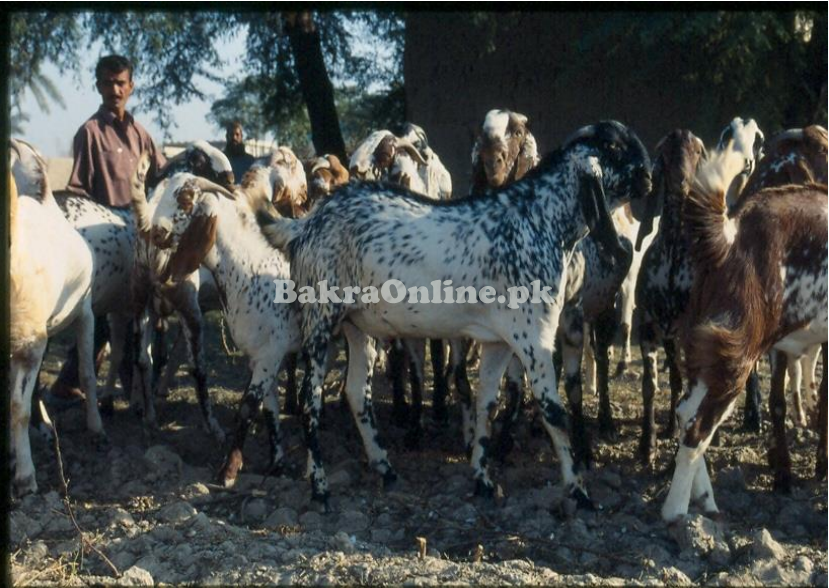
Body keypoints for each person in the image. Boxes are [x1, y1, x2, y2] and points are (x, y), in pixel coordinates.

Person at [49, 54, 166, 403]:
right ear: (98, 86)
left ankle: (136, 390)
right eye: (107, 83)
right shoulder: (89, 133)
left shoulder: (141, 133)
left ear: (131, 87)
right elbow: (78, 192)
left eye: (121, 83)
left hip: (138, 239)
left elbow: (160, 177)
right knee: (96, 318)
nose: (114, 89)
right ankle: (68, 384)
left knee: (142, 317)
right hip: (101, 241)